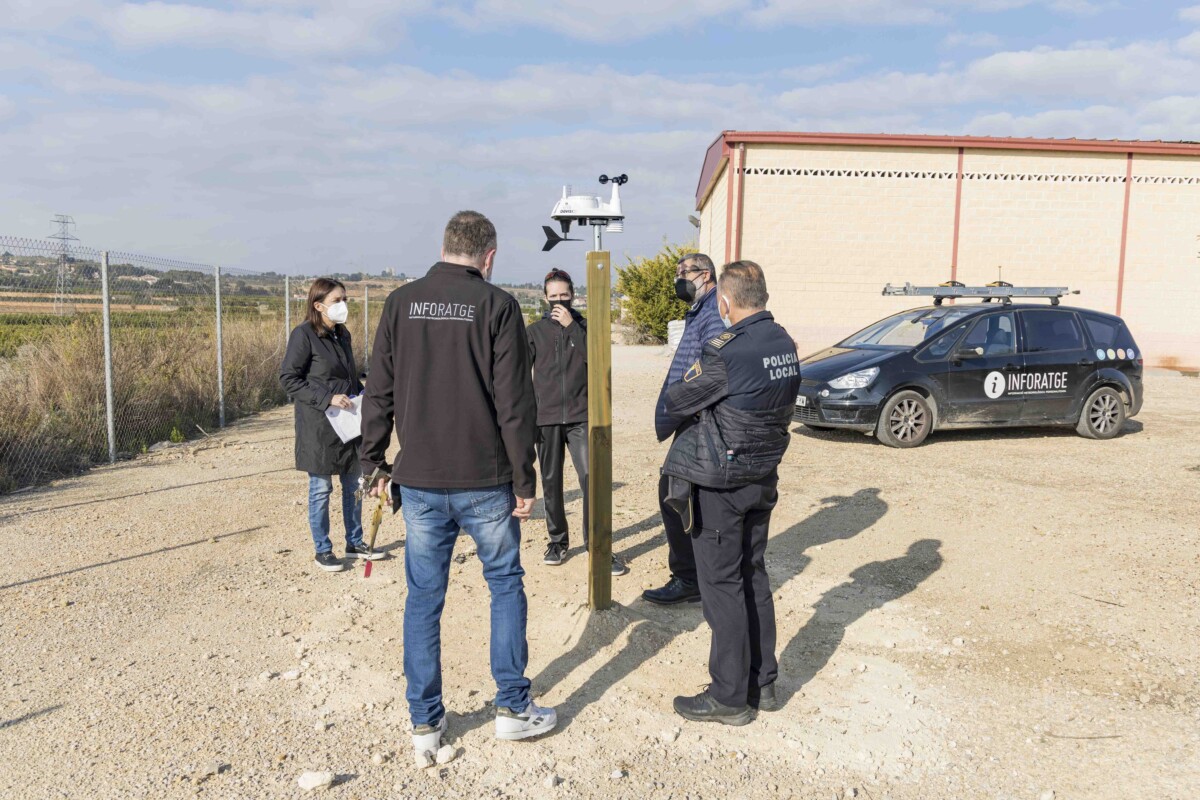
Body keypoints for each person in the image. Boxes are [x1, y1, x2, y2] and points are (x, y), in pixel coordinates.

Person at [360, 211, 556, 759]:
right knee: (504, 586)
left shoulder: (401, 303)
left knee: (424, 599)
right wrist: (525, 477)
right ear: (488, 257)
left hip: (418, 479)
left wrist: (373, 462)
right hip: (485, 479)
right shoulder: (497, 305)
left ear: (444, 246)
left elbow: (379, 389)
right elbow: (516, 402)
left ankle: (425, 722)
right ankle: (513, 709)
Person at [657, 260, 801, 725]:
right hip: (762, 478)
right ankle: (764, 682)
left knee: (721, 587)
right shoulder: (783, 341)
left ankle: (728, 697)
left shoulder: (725, 350)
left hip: (722, 483)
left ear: (725, 301)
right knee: (754, 575)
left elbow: (680, 399)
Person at [527, 268, 628, 575]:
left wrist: (572, 328)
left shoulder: (586, 328)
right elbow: (518, 373)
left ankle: (597, 546)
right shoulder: (534, 332)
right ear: (545, 298)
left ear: (573, 295)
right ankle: (558, 542)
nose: (559, 301)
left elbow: (598, 362)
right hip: (546, 419)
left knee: (591, 480)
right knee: (552, 482)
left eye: (565, 296)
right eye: (553, 296)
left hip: (582, 417)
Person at [280, 277, 381, 572]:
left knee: (354, 485)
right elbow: (289, 379)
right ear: (318, 305)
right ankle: (323, 549)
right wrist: (327, 398)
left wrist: (362, 394)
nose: (343, 306)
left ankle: (355, 542)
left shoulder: (342, 334)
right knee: (321, 488)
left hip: (348, 425)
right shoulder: (304, 336)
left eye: (345, 300)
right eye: (337, 301)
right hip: (319, 425)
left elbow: (349, 376)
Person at [642, 252, 725, 605]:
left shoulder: (714, 314)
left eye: (684, 272)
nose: (679, 278)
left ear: (705, 275)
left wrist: (681, 401)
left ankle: (690, 578)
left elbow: (712, 370)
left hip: (700, 419)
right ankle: (697, 574)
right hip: (690, 416)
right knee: (680, 494)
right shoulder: (699, 312)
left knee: (674, 493)